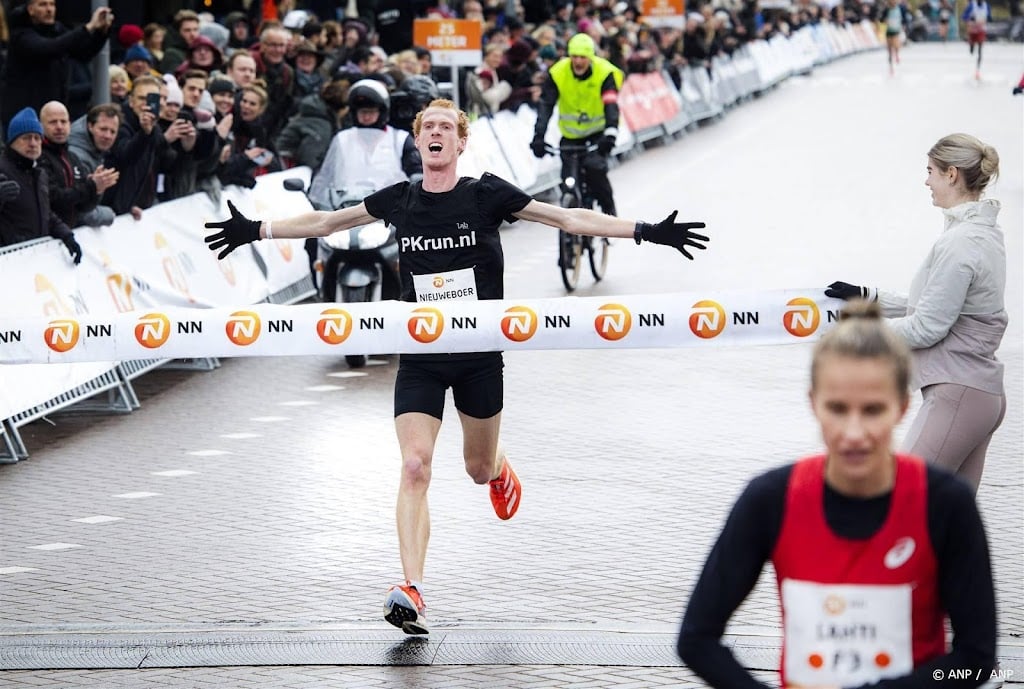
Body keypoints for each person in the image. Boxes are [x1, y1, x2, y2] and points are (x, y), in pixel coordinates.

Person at [204, 98, 710, 636]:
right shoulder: (400, 199)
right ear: (418, 143)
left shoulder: (486, 193)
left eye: (448, 127)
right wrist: (256, 229)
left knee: (476, 468)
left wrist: (645, 230)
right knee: (415, 466)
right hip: (421, 357)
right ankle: (412, 590)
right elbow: (328, 221)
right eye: (429, 128)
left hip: (478, 357)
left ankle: (497, 464)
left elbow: (565, 217)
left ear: (461, 143)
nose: (438, 134)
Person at [678, 300, 997, 688]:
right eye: (838, 409)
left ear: (901, 407)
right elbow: (696, 639)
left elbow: (977, 659)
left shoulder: (945, 503)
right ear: (814, 405)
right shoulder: (770, 499)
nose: (854, 432)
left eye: (873, 410)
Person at [825, 133, 1005, 494]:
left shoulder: (961, 243)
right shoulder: (981, 232)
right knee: (950, 525)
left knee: (895, 499)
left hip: (958, 394)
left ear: (951, 174)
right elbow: (938, 304)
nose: (926, 181)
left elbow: (927, 327)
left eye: (931, 171)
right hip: (978, 396)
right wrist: (867, 297)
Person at [531, 33, 623, 217]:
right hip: (571, 137)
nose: (578, 61)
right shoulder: (558, 73)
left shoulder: (604, 72)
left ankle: (609, 211)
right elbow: (545, 106)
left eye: (583, 57)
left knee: (595, 170)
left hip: (597, 135)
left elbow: (611, 104)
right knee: (567, 180)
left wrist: (611, 133)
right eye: (574, 56)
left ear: (590, 57)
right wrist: (538, 136)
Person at [1, 0, 114, 129]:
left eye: (52, 4)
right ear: (30, 9)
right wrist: (88, 27)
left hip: (53, 111)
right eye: (43, 5)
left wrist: (102, 33)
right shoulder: (21, 34)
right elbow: (50, 48)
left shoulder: (57, 29)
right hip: (23, 114)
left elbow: (83, 53)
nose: (49, 9)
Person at [0, 107, 82, 263]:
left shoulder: (39, 173)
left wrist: (66, 235)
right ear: (12, 142)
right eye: (26, 138)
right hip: (9, 263)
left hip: (35, 257)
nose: (33, 143)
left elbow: (45, 214)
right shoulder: (2, 169)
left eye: (37, 138)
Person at [39, 100, 119, 228]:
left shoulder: (72, 157)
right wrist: (91, 186)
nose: (59, 126)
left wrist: (96, 191)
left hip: (69, 234)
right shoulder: (39, 157)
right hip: (47, 238)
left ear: (69, 125)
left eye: (63, 122)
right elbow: (55, 198)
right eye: (53, 122)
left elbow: (82, 207)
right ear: (41, 125)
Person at [877, 0, 911, 75]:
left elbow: (905, 19)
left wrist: (904, 27)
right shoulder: (886, 9)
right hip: (889, 31)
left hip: (897, 31)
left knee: (896, 45)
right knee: (889, 50)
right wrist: (885, 21)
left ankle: (897, 54)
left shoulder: (901, 8)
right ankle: (891, 66)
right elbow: (881, 19)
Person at [962, 0, 991, 79]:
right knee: (972, 50)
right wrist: (971, 20)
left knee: (980, 50)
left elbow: (989, 17)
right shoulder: (972, 4)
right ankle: (971, 45)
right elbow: (964, 16)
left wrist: (985, 20)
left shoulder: (986, 5)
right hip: (973, 30)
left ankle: (977, 71)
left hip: (981, 30)